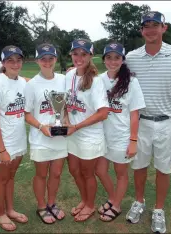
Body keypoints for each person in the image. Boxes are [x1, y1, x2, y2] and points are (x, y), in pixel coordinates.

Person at [124, 11, 171, 233]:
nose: (151, 29)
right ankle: (139, 202)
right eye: (147, 26)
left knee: (164, 168)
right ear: (141, 30)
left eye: (156, 25)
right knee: (139, 166)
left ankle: (159, 210)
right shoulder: (132, 57)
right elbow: (116, 79)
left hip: (168, 122)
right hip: (140, 122)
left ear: (164, 28)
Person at [95, 42, 146, 222]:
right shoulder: (99, 79)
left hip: (121, 136)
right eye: (109, 57)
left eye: (117, 58)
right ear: (104, 60)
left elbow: (134, 113)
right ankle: (112, 197)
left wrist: (133, 140)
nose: (113, 61)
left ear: (123, 60)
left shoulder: (131, 81)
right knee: (100, 170)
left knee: (120, 173)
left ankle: (116, 205)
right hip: (102, 135)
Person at [64, 39, 109, 222]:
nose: (79, 58)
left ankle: (90, 205)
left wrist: (77, 126)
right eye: (75, 54)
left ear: (91, 56)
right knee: (74, 170)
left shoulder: (96, 82)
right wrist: (66, 119)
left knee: (87, 173)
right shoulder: (69, 75)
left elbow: (103, 113)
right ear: (71, 55)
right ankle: (84, 200)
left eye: (84, 54)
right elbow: (65, 101)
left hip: (89, 135)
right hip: (73, 134)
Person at [24, 43, 67, 224]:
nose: (47, 62)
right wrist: (42, 126)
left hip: (59, 135)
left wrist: (64, 121)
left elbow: (65, 107)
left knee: (56, 173)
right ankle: (42, 206)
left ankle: (52, 203)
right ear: (37, 61)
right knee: (41, 174)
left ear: (56, 59)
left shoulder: (64, 79)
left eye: (51, 58)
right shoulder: (32, 84)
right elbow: (27, 115)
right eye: (43, 59)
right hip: (40, 137)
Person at [0, 45, 28, 231]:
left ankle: (10, 209)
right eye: (10, 60)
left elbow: (35, 82)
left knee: (11, 177)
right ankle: (0, 214)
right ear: (3, 63)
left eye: (18, 60)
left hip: (18, 139)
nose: (15, 63)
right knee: (2, 179)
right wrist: (2, 149)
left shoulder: (22, 82)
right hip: (3, 142)